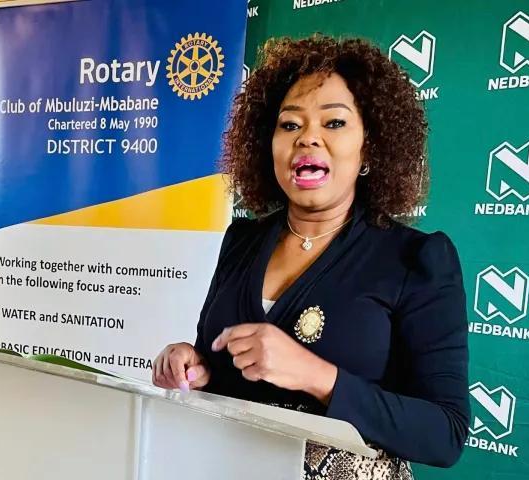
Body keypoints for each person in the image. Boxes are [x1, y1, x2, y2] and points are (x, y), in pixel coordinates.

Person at [153, 35, 470, 479]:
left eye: (334, 122)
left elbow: (445, 434)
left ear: (369, 146)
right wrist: (196, 367)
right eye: (289, 125)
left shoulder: (416, 258)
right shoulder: (242, 240)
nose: (308, 138)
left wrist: (317, 376)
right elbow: (222, 367)